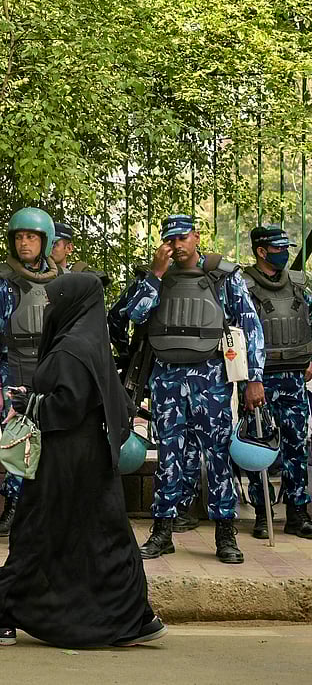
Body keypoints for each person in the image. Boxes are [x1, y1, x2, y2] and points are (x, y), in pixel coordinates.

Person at [0, 272, 166, 648]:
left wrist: (29, 403)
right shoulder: (91, 341)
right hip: (91, 461)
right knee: (104, 537)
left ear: (72, 304)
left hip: (63, 462)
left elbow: (68, 405)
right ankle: (135, 616)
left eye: (54, 302)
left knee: (38, 533)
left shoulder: (71, 348)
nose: (48, 309)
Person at [114, 214, 264, 564]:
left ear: (196, 236)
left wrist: (254, 378)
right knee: (169, 455)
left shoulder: (223, 276)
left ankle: (225, 533)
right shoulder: (154, 277)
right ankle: (162, 531)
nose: (177, 245)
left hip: (210, 377)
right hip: (167, 378)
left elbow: (250, 327)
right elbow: (134, 316)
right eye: (170, 240)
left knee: (218, 455)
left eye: (183, 238)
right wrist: (155, 276)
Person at [0, 207, 59, 537]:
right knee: (17, 442)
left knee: (55, 443)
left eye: (32, 237)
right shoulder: (2, 283)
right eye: (19, 237)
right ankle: (13, 507)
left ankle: (50, 513)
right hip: (16, 372)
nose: (24, 243)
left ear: (45, 241)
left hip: (53, 375)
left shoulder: (62, 280)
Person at [238, 225, 312, 539]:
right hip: (259, 379)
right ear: (261, 251)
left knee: (297, 445)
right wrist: (246, 377)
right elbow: (233, 332)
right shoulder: (241, 284)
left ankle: (298, 513)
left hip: (295, 376)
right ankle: (262, 512)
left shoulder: (299, 284)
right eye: (278, 248)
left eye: (285, 248)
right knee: (258, 446)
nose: (283, 253)